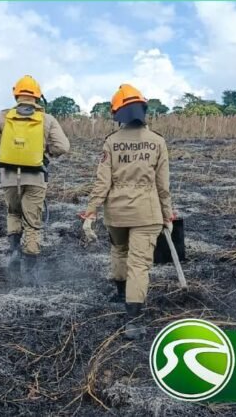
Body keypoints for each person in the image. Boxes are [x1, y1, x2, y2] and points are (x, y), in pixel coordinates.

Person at [81, 84, 174, 340]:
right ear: (143, 109)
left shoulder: (111, 142)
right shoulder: (157, 142)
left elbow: (102, 182)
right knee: (139, 265)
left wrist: (91, 212)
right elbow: (163, 186)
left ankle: (120, 294)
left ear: (118, 113)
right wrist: (168, 215)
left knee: (119, 251)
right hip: (148, 213)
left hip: (117, 213)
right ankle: (133, 321)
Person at [0, 75, 70, 282]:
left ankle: (14, 252)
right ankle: (30, 271)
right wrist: (45, 153)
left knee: (13, 212)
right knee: (32, 222)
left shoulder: (2, 117)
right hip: (36, 176)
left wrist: (0, 150)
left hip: (9, 174)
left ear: (16, 94)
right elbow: (63, 146)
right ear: (37, 96)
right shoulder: (47, 119)